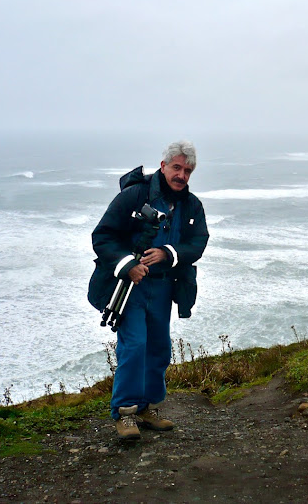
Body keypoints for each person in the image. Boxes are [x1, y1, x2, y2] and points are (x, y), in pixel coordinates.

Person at [88, 140, 209, 440]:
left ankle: (149, 408)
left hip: (164, 288)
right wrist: (128, 263)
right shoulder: (134, 195)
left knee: (159, 348)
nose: (182, 175)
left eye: (188, 171)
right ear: (163, 165)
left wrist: (168, 252)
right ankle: (125, 413)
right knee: (135, 346)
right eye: (177, 168)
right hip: (130, 288)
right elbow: (102, 235)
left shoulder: (191, 205)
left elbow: (198, 242)